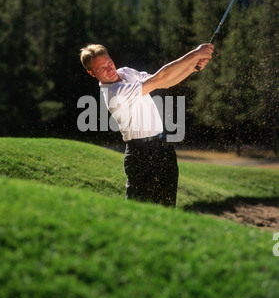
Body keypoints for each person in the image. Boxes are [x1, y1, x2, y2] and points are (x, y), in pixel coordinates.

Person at [79, 43, 214, 207]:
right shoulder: (115, 93)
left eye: (109, 62)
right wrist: (194, 55)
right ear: (92, 73)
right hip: (140, 155)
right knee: (139, 211)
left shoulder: (125, 72)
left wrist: (192, 68)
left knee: (167, 208)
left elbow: (164, 82)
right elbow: (160, 78)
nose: (109, 69)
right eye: (102, 69)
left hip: (163, 148)